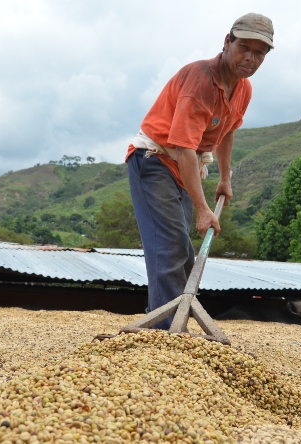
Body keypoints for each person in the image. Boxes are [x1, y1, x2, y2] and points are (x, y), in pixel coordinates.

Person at [126, 13, 274, 329]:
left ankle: (164, 324)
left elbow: (228, 131)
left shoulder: (243, 89)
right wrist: (204, 209)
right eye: (244, 47)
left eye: (259, 52)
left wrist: (224, 178)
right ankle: (164, 332)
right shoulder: (200, 82)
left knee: (183, 254)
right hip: (155, 160)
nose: (250, 58)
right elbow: (183, 148)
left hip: (182, 165)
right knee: (170, 248)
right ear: (227, 42)